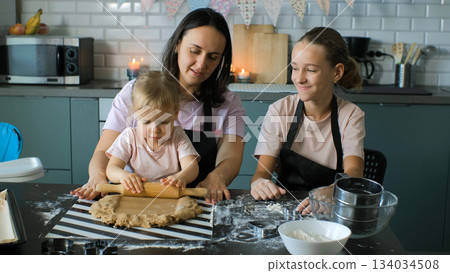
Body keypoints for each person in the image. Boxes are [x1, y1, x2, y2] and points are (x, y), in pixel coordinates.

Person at [71, 8, 245, 203]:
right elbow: (104, 152)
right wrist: (98, 177)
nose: (201, 64)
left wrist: (217, 177)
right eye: (194, 51)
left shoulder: (229, 104)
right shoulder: (134, 92)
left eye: (213, 57)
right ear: (178, 45)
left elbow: (230, 158)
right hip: (133, 199)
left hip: (196, 202)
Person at [250, 27, 366, 212]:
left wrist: (334, 191)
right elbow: (261, 173)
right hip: (285, 211)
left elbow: (354, 173)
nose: (299, 78)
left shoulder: (351, 115)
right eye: (294, 68)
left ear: (337, 72)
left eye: (311, 70)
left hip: (329, 211)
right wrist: (259, 183)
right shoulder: (280, 110)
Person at [105, 70, 199, 193]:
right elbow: (111, 169)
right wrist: (123, 176)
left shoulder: (178, 136)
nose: (155, 130)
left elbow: (192, 167)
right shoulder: (129, 137)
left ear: (175, 114)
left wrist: (182, 176)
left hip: (168, 196)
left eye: (163, 122)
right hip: (134, 195)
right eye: (147, 122)